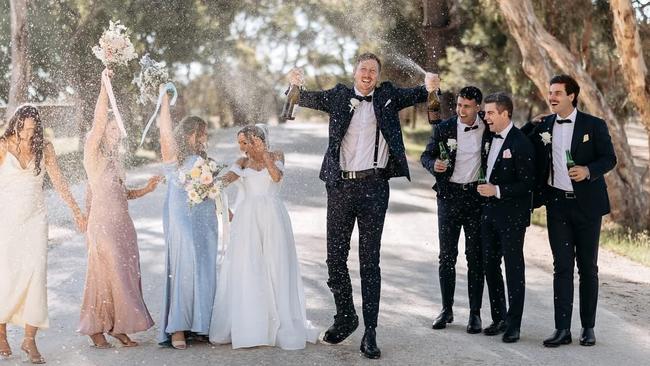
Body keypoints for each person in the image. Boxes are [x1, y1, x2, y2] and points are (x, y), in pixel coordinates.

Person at [288, 52, 440, 359]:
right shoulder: (339, 95)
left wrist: (431, 84)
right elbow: (303, 98)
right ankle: (346, 316)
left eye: (373, 70)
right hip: (340, 187)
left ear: (378, 76)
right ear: (355, 72)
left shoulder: (388, 96)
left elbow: (421, 92)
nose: (367, 74)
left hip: (374, 187)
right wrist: (292, 84)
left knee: (370, 263)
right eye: (363, 69)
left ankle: (370, 333)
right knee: (335, 259)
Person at [522, 75, 616, 347]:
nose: (552, 97)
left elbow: (610, 158)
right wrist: (531, 124)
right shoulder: (544, 126)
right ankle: (562, 329)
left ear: (572, 96)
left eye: (558, 93)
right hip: (557, 205)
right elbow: (517, 141)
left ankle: (588, 328)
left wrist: (588, 171)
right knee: (561, 267)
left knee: (588, 268)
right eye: (550, 92)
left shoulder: (594, 125)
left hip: (587, 206)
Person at [209, 125, 319, 350]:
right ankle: (252, 324)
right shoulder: (241, 163)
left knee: (275, 265)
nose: (241, 147)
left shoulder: (277, 155)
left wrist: (265, 155)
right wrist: (210, 185)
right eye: (239, 142)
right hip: (247, 219)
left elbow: (276, 177)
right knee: (249, 266)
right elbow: (223, 183)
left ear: (257, 140)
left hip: (273, 218)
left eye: (245, 142)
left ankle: (278, 324)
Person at [79, 69, 159, 348]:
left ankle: (115, 326)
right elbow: (99, 120)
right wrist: (105, 84)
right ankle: (98, 327)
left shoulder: (115, 159)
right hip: (103, 225)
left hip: (123, 225)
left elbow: (122, 194)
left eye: (117, 129)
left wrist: (147, 189)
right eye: (111, 128)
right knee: (105, 272)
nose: (115, 132)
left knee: (123, 273)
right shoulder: (93, 152)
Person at [0, 104, 86, 364]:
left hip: (36, 220)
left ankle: (29, 340)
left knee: (37, 274)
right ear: (15, 124)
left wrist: (76, 211)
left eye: (31, 128)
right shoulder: (3, 145)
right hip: (8, 221)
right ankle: (1, 332)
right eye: (23, 128)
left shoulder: (44, 148)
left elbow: (59, 182)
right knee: (7, 273)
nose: (27, 134)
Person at [420, 86, 490, 334]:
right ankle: (446, 309)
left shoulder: (488, 128)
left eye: (466, 106)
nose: (461, 110)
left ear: (478, 107)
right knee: (446, 257)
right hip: (449, 198)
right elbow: (425, 156)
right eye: (459, 105)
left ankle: (475, 314)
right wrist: (434, 164)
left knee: (475, 257)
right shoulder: (444, 128)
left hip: (476, 199)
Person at [157, 89, 219, 349]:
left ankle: (201, 325)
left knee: (205, 267)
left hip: (205, 217)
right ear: (190, 134)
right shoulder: (174, 156)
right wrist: (164, 103)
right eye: (202, 133)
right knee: (185, 264)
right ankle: (178, 328)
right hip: (181, 215)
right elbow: (164, 132)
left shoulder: (204, 158)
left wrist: (225, 211)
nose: (205, 138)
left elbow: (213, 187)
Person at [477, 92, 534, 343]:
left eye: (490, 113)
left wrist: (497, 190)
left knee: (513, 268)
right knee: (490, 264)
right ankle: (499, 317)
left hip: (512, 216)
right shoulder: (490, 136)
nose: (485, 117)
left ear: (505, 113)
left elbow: (528, 184)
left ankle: (514, 324)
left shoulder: (521, 143)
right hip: (488, 213)